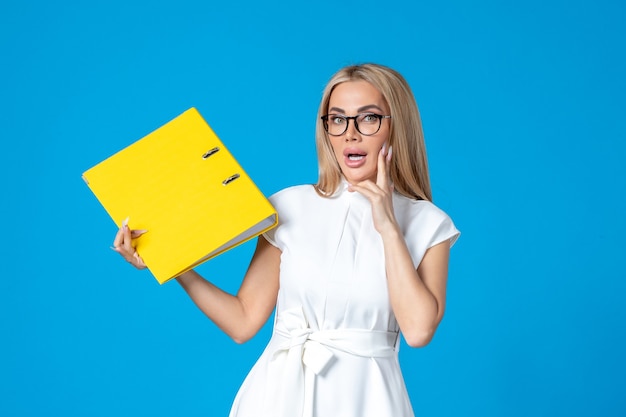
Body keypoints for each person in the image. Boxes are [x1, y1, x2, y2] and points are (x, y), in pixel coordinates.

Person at [113, 63, 460, 417]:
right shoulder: (290, 206)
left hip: (367, 402)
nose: (350, 135)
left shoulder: (428, 225)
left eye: (368, 118)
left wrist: (387, 225)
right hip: (275, 397)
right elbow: (243, 321)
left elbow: (418, 331)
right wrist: (170, 260)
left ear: (396, 125)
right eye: (337, 119)